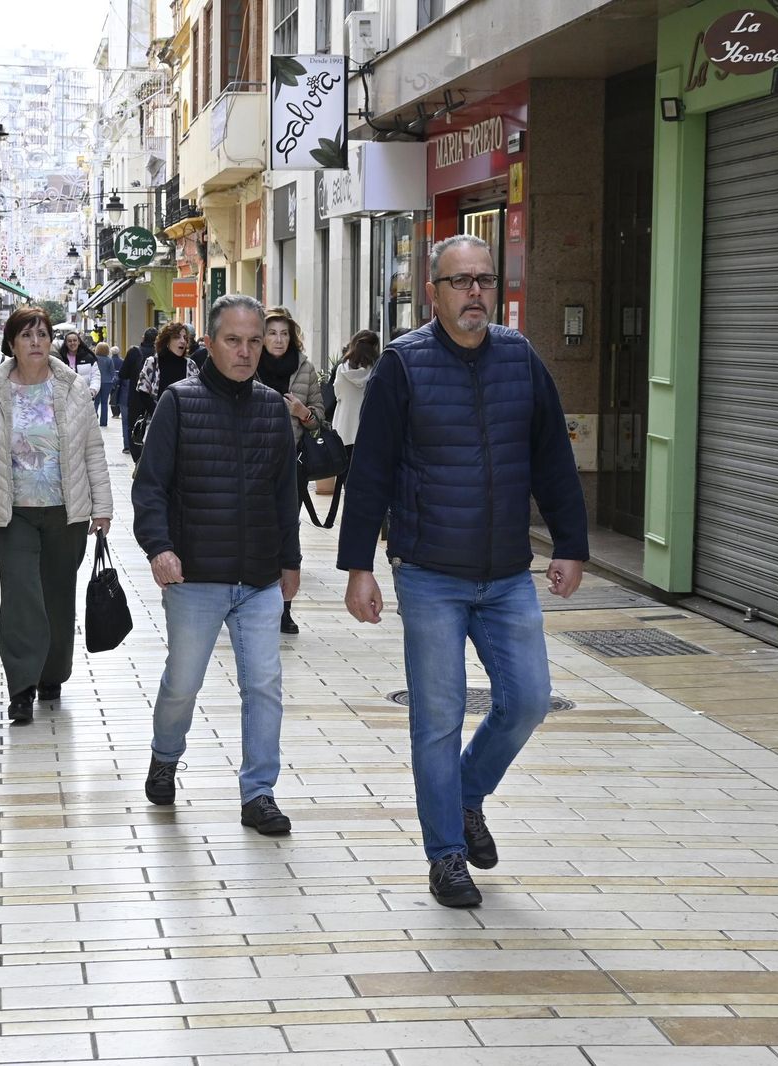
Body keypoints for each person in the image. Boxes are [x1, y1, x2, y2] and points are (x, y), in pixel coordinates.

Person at [340, 234, 589, 908]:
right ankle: (446, 854)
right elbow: (371, 473)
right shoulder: (404, 365)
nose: (474, 292)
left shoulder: (521, 358)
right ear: (434, 293)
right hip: (428, 572)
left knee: (529, 698)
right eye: (459, 281)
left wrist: (571, 543)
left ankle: (466, 797)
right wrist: (357, 566)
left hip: (508, 572)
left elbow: (552, 462)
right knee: (438, 717)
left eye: (484, 279)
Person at [133, 294, 301, 835]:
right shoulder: (178, 403)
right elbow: (150, 486)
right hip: (194, 575)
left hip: (257, 577)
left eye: (255, 341)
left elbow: (285, 493)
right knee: (183, 682)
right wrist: (159, 547)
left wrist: (290, 560)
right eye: (234, 340)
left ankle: (259, 793)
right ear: (210, 342)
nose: (246, 351)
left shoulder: (273, 407)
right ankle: (165, 757)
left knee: (265, 685)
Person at [0, 305, 114, 725]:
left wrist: (102, 507)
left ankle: (52, 675)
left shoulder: (73, 388)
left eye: (42, 335)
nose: (36, 343)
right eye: (26, 336)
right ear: (11, 343)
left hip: (67, 512)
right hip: (12, 513)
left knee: (57, 593)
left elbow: (92, 451)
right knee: (22, 592)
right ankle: (22, 687)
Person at [259, 306, 326, 636]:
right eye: (272, 332)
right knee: (253, 532)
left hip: (291, 465)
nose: (278, 339)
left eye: (284, 333)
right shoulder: (248, 366)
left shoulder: (305, 369)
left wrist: (303, 413)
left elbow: (320, 423)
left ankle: (284, 609)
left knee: (286, 533)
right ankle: (254, 604)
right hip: (251, 464)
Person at [324, 329, 381, 529]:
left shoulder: (342, 369)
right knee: (366, 475)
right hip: (368, 429)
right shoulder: (376, 369)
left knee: (346, 475)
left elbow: (337, 393)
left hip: (344, 428)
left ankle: (348, 514)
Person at [134, 322, 201, 465]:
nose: (182, 341)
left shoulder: (190, 365)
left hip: (184, 426)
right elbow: (143, 391)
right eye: (177, 337)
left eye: (185, 337)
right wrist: (159, 414)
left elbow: (198, 395)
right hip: (157, 424)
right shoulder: (153, 362)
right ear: (167, 341)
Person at [119, 327, 158, 454]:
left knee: (133, 427)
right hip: (155, 399)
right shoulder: (161, 354)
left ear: (143, 338)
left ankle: (137, 459)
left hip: (135, 397)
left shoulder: (134, 352)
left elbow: (123, 374)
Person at [94, 341, 120, 426]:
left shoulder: (95, 359)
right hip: (107, 382)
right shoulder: (109, 360)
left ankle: (93, 420)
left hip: (97, 382)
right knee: (104, 403)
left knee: (96, 402)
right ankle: (103, 422)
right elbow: (113, 372)